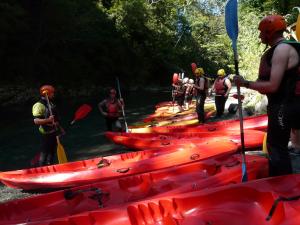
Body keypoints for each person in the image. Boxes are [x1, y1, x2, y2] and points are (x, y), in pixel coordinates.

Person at [234, 15, 300, 176]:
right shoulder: (278, 49)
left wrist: (245, 83)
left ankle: (283, 188)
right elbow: (266, 85)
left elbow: (272, 85)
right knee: (276, 146)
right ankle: (281, 182)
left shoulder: (282, 49)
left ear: (269, 32)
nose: (259, 36)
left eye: (261, 32)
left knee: (277, 148)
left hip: (285, 105)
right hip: (282, 105)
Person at [32, 85, 64, 166]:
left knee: (51, 153)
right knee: (44, 154)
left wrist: (60, 128)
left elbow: (55, 118)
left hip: (54, 132)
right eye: (52, 93)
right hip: (46, 133)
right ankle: (41, 170)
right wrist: (48, 120)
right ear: (48, 93)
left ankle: (50, 168)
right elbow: (36, 121)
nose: (53, 94)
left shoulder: (50, 103)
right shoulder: (38, 105)